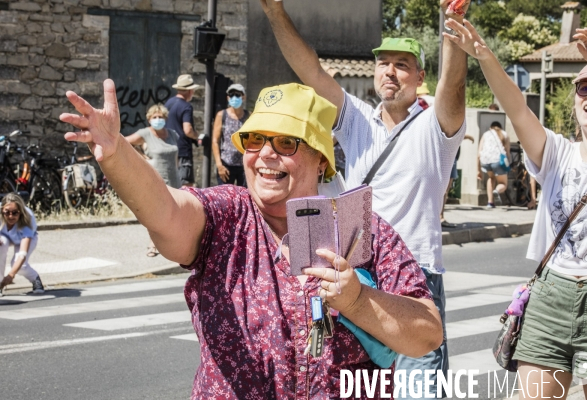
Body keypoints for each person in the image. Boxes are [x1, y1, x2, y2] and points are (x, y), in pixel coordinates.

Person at [60, 80, 443, 399]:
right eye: (255, 140)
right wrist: (115, 155)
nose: (265, 155)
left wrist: (358, 300)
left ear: (321, 159)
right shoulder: (229, 214)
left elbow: (426, 334)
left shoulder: (361, 227)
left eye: (286, 144)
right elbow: (166, 212)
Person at [260, 0, 470, 397]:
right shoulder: (356, 118)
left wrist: (452, 24)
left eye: (402, 64)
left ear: (420, 76)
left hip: (414, 280)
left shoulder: (435, 127)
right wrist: (274, 11)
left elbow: (453, 88)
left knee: (418, 392)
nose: (390, 71)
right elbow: (310, 70)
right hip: (356, 278)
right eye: (383, 63)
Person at [445, 19, 587, 398]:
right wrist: (483, 55)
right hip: (550, 298)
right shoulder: (557, 154)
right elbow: (516, 106)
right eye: (585, 87)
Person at [126, 103, 181, 257]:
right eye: (154, 117)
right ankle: (153, 244)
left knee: (173, 213)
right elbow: (125, 142)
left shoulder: (172, 134)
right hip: (155, 180)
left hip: (174, 179)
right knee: (156, 214)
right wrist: (141, 158)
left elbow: (175, 156)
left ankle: (171, 245)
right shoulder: (145, 134)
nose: (158, 120)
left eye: (161, 117)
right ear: (149, 119)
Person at [0, 193, 44, 295]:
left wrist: (11, 275)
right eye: (7, 213)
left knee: (19, 265)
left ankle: (35, 278)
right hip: (5, 236)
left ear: (20, 212)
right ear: (2, 210)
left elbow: (22, 254)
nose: (11, 216)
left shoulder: (26, 221)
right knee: (1, 246)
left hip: (26, 238)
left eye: (15, 213)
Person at [211, 83, 250, 186]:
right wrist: (219, 165)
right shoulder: (222, 115)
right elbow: (215, 141)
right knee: (225, 196)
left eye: (237, 95)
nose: (234, 98)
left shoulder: (248, 116)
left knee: (244, 196)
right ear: (228, 98)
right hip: (226, 164)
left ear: (243, 97)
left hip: (244, 165)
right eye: (231, 95)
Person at [165, 74, 200, 187]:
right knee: (186, 185)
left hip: (168, 147)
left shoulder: (168, 103)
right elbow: (188, 130)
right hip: (182, 150)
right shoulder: (186, 106)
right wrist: (197, 136)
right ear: (190, 91)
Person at [440, 135, 474, 228]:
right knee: (444, 190)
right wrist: (466, 136)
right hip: (448, 156)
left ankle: (439, 216)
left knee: (443, 190)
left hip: (448, 156)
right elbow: (450, 134)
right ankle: (440, 217)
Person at [477, 121, 511, 208]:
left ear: (490, 128)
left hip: (485, 161)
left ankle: (490, 202)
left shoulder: (485, 134)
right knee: (503, 183)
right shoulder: (504, 134)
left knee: (491, 178)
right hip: (498, 161)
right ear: (501, 127)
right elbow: (507, 152)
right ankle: (497, 191)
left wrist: (478, 170)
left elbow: (479, 154)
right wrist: (508, 163)